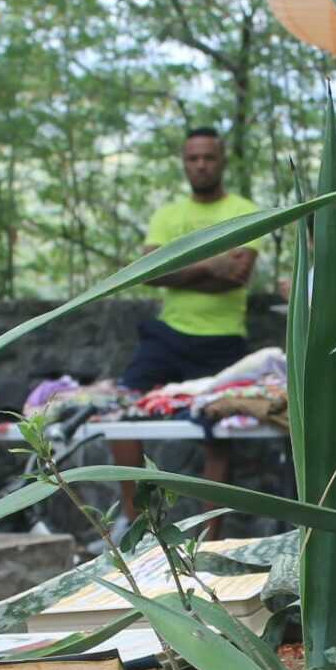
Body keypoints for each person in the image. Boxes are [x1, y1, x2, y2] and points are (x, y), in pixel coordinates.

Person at [109, 127, 260, 531]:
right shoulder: (167, 215)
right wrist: (211, 264)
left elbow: (237, 276)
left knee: (218, 434)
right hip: (169, 335)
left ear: (222, 160)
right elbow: (150, 273)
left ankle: (212, 541)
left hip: (224, 340)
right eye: (193, 158)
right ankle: (136, 527)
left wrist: (179, 269)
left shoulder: (243, 209)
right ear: (184, 162)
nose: (200, 165)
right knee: (120, 413)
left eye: (208, 157)